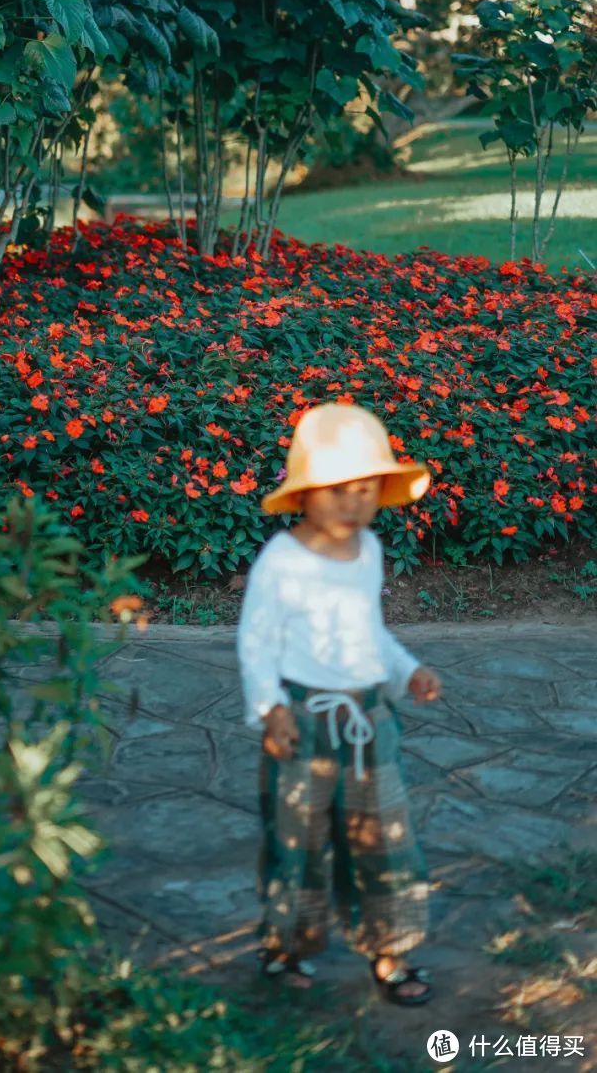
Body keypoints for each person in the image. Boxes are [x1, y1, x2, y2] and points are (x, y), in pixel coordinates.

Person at [235, 402, 442, 1006]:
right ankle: (285, 946)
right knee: (296, 838)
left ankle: (391, 948)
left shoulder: (368, 552)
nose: (354, 502)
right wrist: (269, 709)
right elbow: (256, 641)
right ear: (303, 494)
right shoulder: (282, 562)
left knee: (383, 833)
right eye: (337, 489)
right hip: (302, 718)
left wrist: (407, 671)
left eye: (367, 488)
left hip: (369, 721)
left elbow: (370, 632)